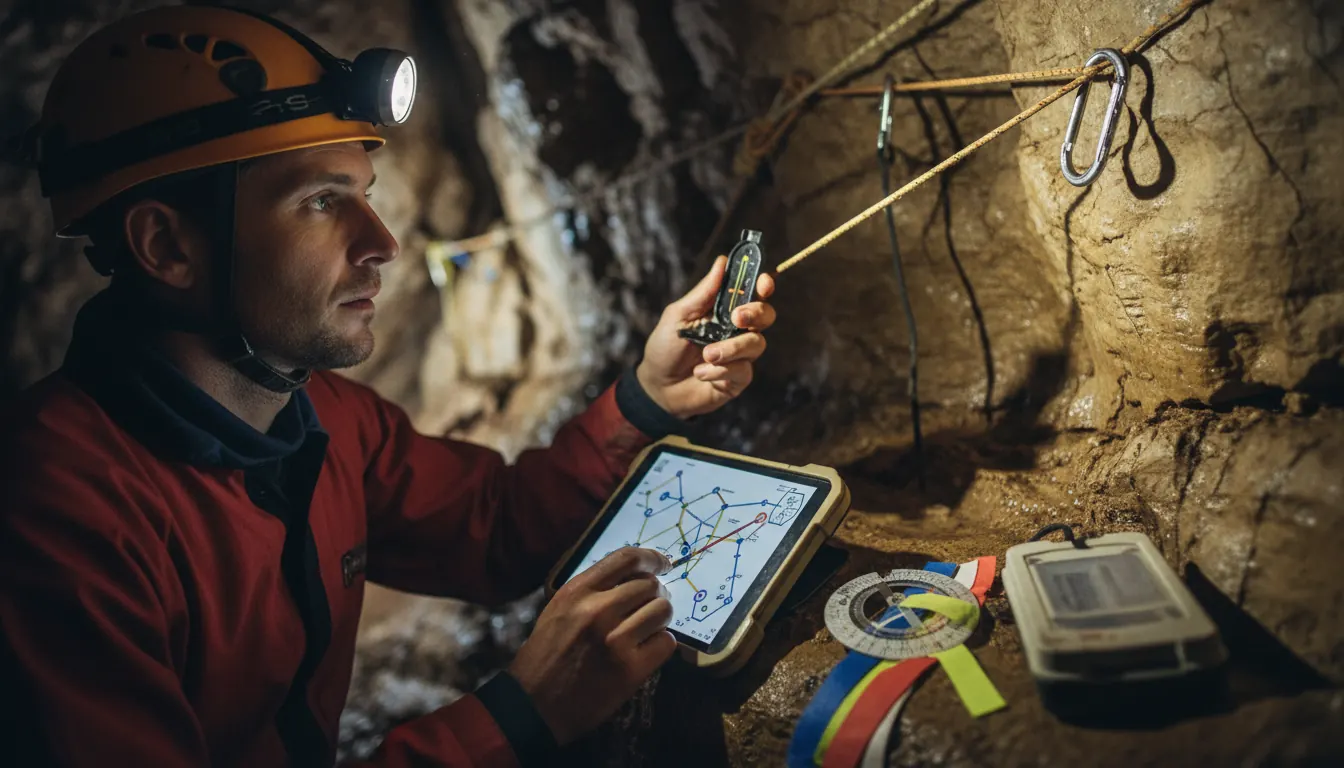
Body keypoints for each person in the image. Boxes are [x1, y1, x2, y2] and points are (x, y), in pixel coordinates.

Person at [0, 6, 776, 768]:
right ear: (168, 244)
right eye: (320, 202)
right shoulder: (58, 518)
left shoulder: (323, 419)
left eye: (363, 193)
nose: (382, 244)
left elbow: (496, 529)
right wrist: (519, 716)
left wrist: (643, 396)